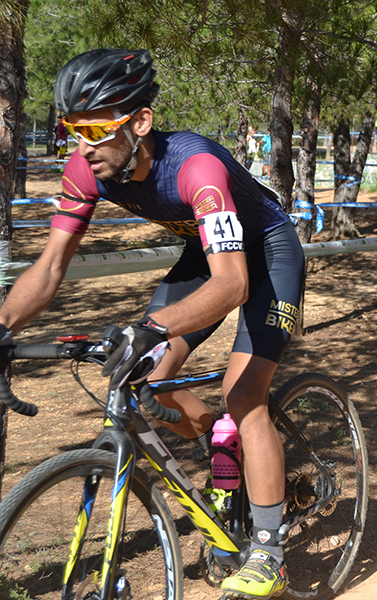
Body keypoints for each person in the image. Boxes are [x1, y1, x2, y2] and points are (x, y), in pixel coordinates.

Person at [0, 49, 304, 599]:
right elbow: (49, 268)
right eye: (72, 130)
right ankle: (223, 447)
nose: (82, 146)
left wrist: (155, 326)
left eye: (96, 129)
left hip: (267, 255)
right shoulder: (86, 168)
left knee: (244, 396)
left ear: (140, 122)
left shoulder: (195, 167)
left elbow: (233, 283)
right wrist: (3, 326)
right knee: (145, 379)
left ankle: (269, 553)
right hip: (206, 254)